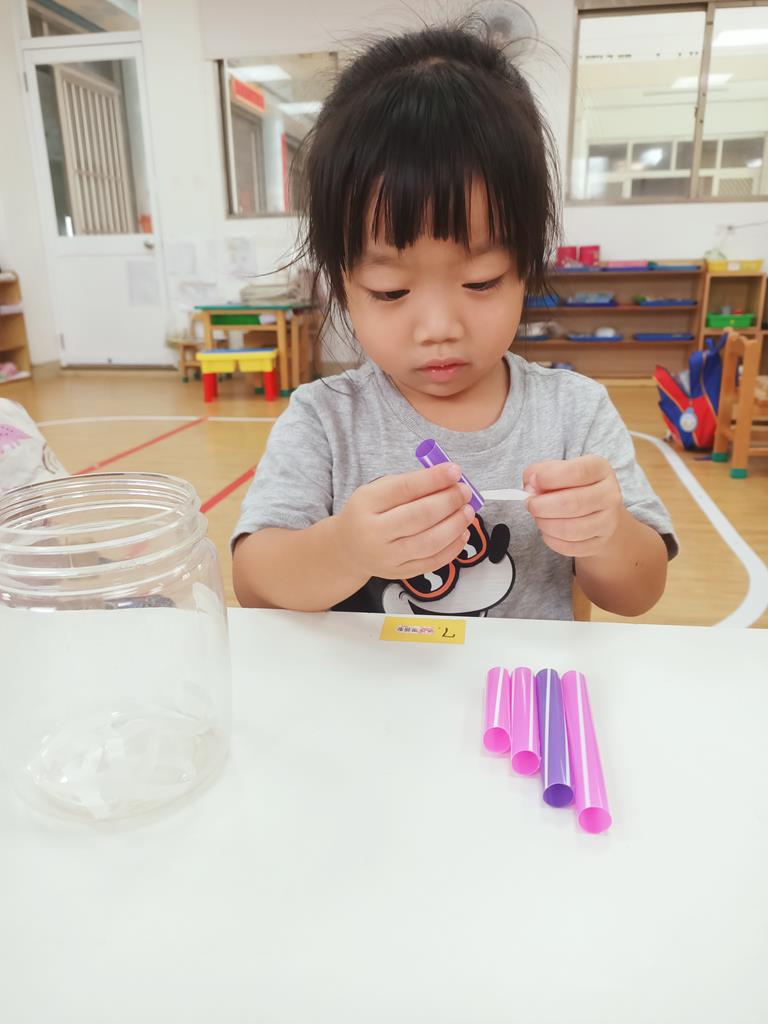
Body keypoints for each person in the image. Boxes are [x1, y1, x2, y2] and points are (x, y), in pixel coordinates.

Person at [232, 21, 676, 620]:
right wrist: (344, 549)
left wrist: (608, 534)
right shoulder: (324, 420)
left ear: (526, 266)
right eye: (391, 290)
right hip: (369, 683)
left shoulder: (574, 413)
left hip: (520, 682)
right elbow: (254, 584)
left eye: (481, 281)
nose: (439, 327)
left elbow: (637, 593)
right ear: (342, 282)